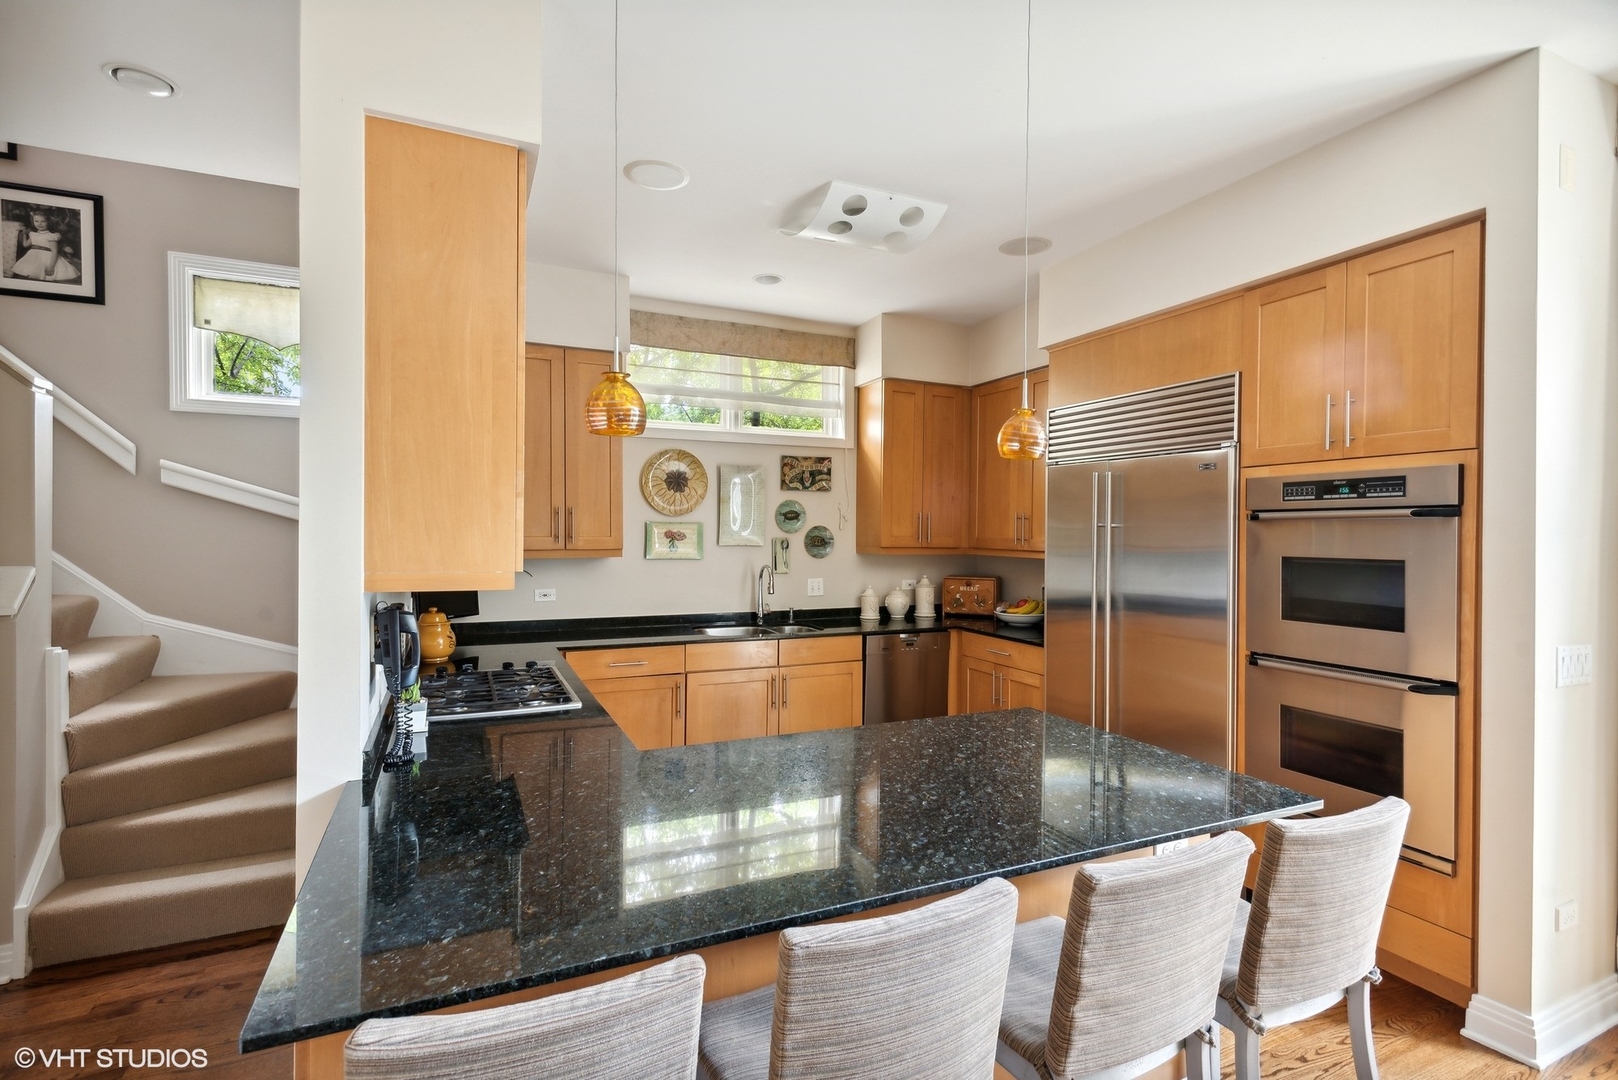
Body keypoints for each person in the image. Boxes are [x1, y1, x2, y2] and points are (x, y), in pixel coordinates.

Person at [11, 208, 80, 282]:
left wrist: (51, 266)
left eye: (43, 221)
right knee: (33, 277)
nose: (39, 224)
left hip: (47, 258)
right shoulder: (33, 234)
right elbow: (25, 245)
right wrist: (24, 234)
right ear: (33, 221)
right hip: (33, 257)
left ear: (48, 222)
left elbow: (54, 252)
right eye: (36, 221)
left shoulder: (51, 236)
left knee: (45, 277)